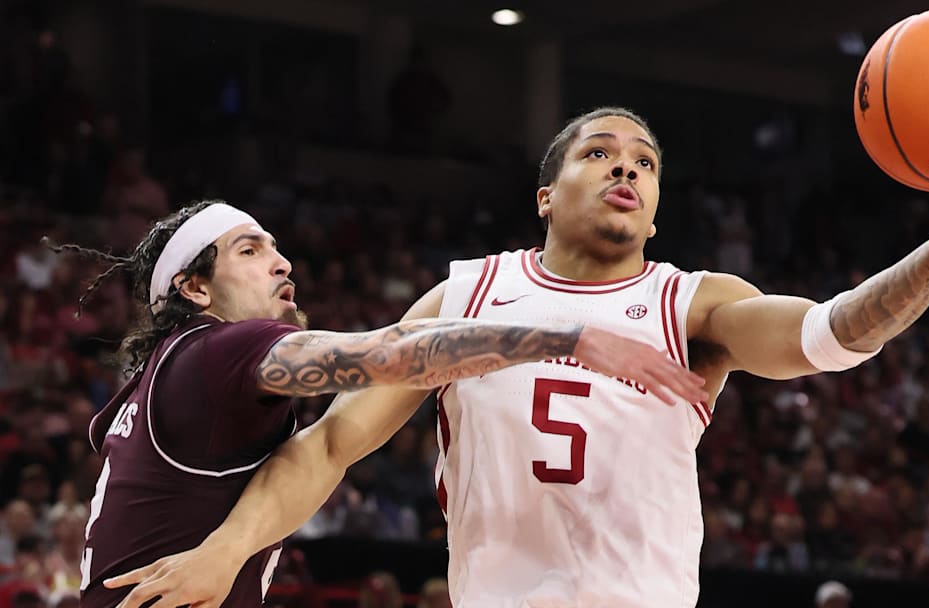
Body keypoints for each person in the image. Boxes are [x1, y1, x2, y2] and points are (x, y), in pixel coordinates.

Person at [107, 108, 929, 607]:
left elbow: (833, 336)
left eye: (645, 161)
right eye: (600, 152)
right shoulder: (463, 293)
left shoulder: (694, 302)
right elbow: (326, 449)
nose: (626, 167)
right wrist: (227, 550)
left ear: (658, 209)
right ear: (547, 195)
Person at [58, 199, 707, 608]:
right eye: (251, 252)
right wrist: (564, 335)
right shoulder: (219, 352)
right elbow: (389, 355)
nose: (282, 264)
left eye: (277, 248)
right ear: (195, 288)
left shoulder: (154, 382)